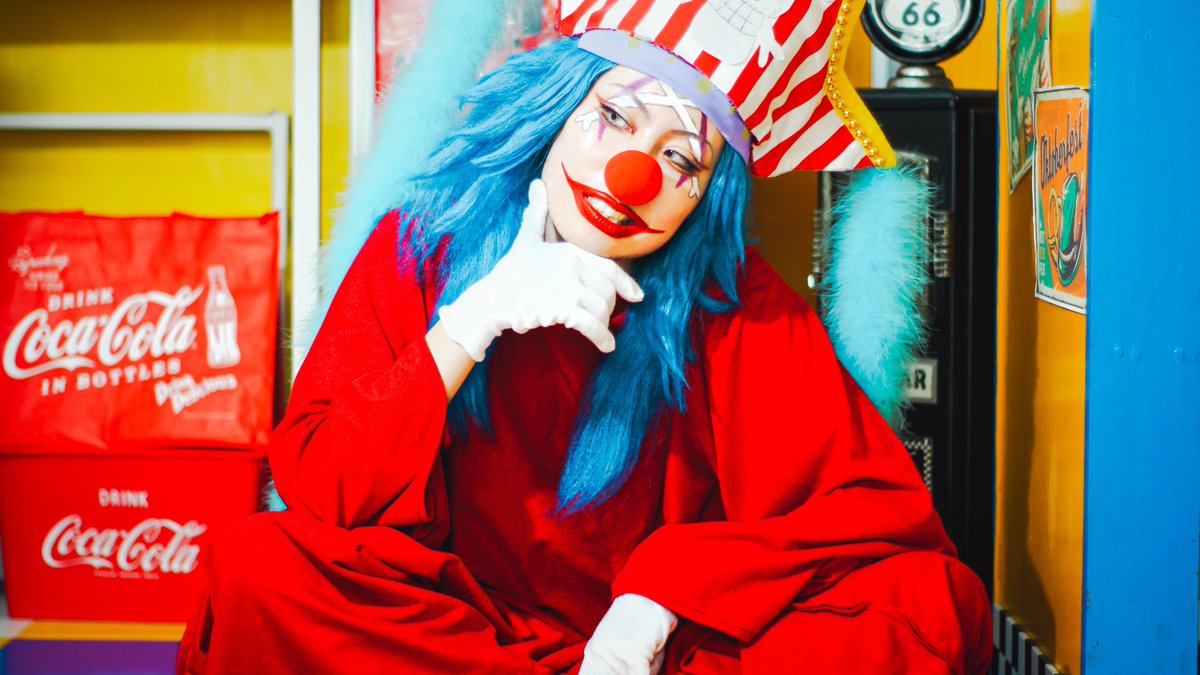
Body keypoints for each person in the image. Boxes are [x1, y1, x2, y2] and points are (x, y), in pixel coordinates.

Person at [179, 2, 991, 673]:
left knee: (932, 602)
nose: (631, 176)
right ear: (558, 107)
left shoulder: (736, 302)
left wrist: (660, 597)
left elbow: (865, 513)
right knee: (260, 567)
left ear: (705, 196)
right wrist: (469, 323)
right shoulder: (423, 242)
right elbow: (323, 492)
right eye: (613, 115)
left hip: (661, 653)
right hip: (455, 630)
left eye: (680, 160)